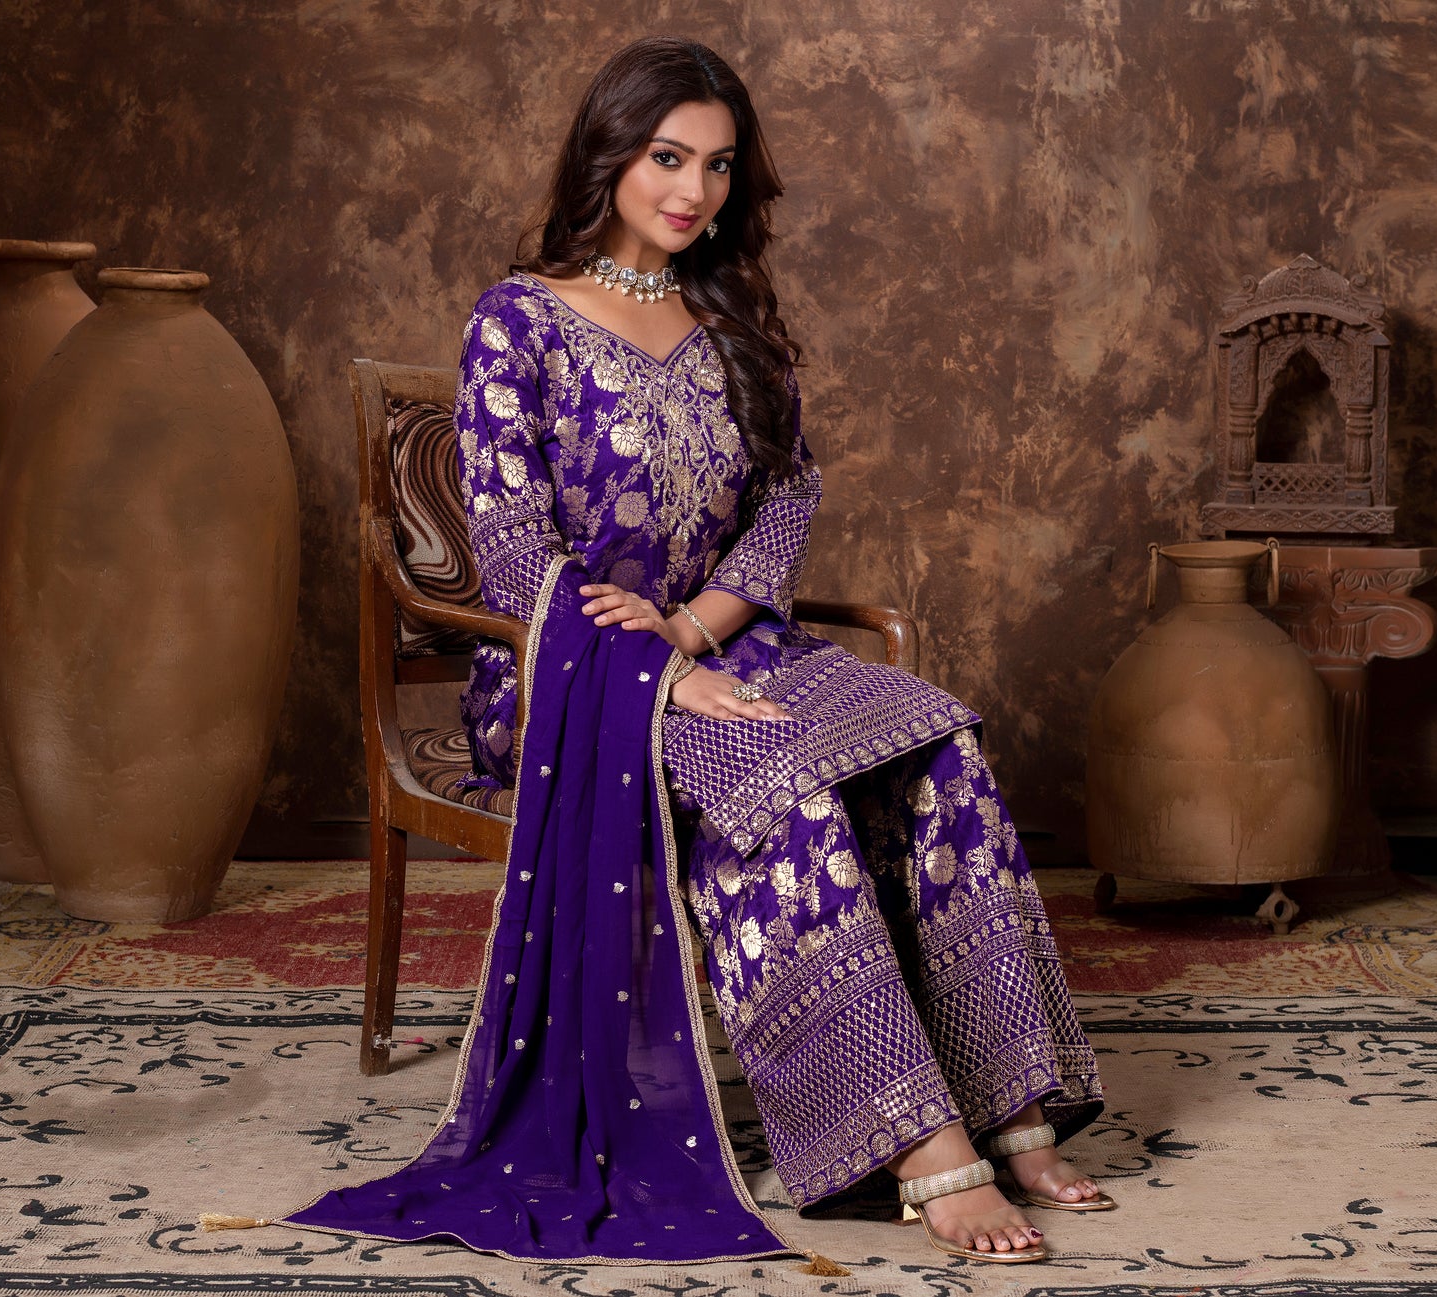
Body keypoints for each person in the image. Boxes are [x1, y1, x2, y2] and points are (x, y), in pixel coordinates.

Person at [283, 36, 1110, 1267]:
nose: (692, 190)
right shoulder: (517, 320)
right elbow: (508, 545)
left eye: (718, 167)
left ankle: (1012, 1104)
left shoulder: (731, 326)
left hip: (725, 641)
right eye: (668, 158)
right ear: (608, 154)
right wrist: (657, 673)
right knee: (774, 783)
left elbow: (785, 503)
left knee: (939, 742)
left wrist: (693, 630)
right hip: (568, 678)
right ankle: (916, 1142)